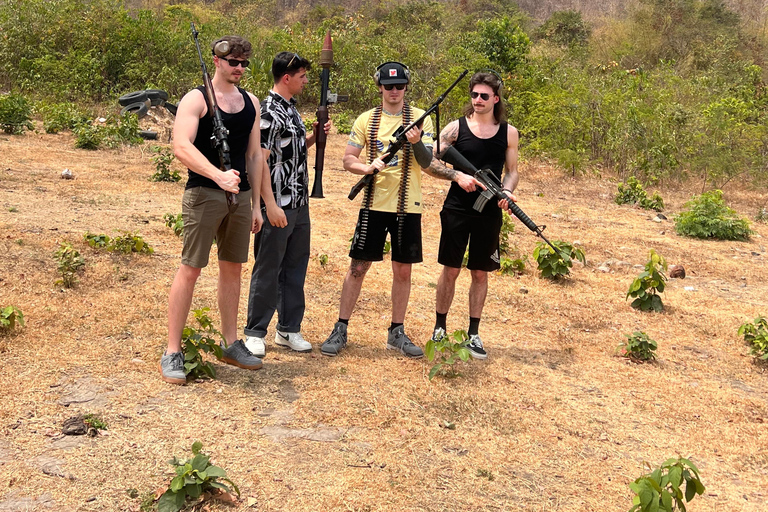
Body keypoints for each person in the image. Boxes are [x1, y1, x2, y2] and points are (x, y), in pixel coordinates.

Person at [159, 35, 264, 385]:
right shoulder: (197, 98)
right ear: (217, 62)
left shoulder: (251, 102)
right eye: (232, 62)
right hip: (205, 193)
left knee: (233, 268)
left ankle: (231, 342)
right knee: (190, 268)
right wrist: (217, 175)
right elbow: (181, 145)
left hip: (242, 196)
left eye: (243, 63)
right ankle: (173, 349)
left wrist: (257, 204)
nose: (238, 68)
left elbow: (253, 155)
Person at [320, 61, 441, 358]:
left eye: (400, 86)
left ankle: (396, 332)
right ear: (380, 88)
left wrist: (416, 143)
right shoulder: (366, 120)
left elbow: (429, 164)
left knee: (403, 271)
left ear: (406, 87)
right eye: (389, 87)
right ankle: (341, 328)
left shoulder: (420, 119)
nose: (394, 91)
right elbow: (348, 159)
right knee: (358, 268)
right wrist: (367, 166)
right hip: (373, 204)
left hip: (408, 207)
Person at [243, 52, 331, 357]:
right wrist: (270, 204)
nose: (306, 81)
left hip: (299, 202)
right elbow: (260, 160)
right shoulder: (269, 112)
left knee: (295, 266)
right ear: (286, 78)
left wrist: (312, 138)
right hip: (278, 203)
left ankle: (288, 328)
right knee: (268, 266)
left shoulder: (290, 110)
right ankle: (255, 331)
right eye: (303, 76)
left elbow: (288, 152)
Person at [427, 71, 519, 359]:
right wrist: (457, 176)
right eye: (474, 95)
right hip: (457, 207)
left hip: (489, 211)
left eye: (484, 96)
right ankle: (440, 327)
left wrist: (507, 191)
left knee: (480, 272)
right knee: (451, 269)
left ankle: (474, 334)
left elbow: (512, 171)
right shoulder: (455, 128)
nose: (477, 100)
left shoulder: (508, 132)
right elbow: (429, 158)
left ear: (496, 98)